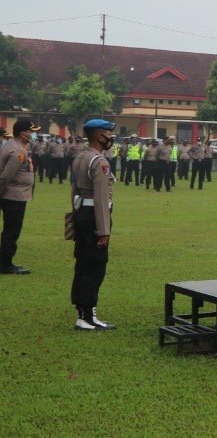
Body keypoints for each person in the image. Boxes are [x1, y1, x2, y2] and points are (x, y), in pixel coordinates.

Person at [70, 118, 118, 330]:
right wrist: (104, 231)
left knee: (82, 263)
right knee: (95, 266)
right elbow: (100, 199)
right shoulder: (100, 161)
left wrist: (73, 220)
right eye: (108, 135)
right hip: (94, 217)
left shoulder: (80, 157)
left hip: (81, 213)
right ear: (100, 136)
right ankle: (88, 315)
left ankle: (82, 312)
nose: (110, 139)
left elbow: (74, 192)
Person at [0, 119, 39, 274]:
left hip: (14, 194)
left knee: (10, 230)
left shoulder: (13, 145)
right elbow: (6, 177)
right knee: (12, 231)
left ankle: (4, 261)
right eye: (31, 131)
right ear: (23, 134)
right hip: (13, 196)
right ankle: (5, 264)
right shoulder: (18, 151)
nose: (33, 134)